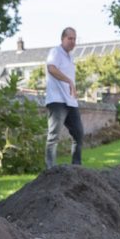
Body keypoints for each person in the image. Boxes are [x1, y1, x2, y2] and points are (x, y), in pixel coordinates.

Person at [45, 27, 84, 169]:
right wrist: (69, 81)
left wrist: (73, 89)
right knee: (53, 136)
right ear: (62, 39)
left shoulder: (70, 57)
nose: (72, 41)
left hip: (70, 102)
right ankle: (50, 169)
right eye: (70, 38)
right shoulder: (55, 52)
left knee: (78, 134)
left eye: (74, 39)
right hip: (57, 101)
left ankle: (77, 167)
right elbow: (51, 68)